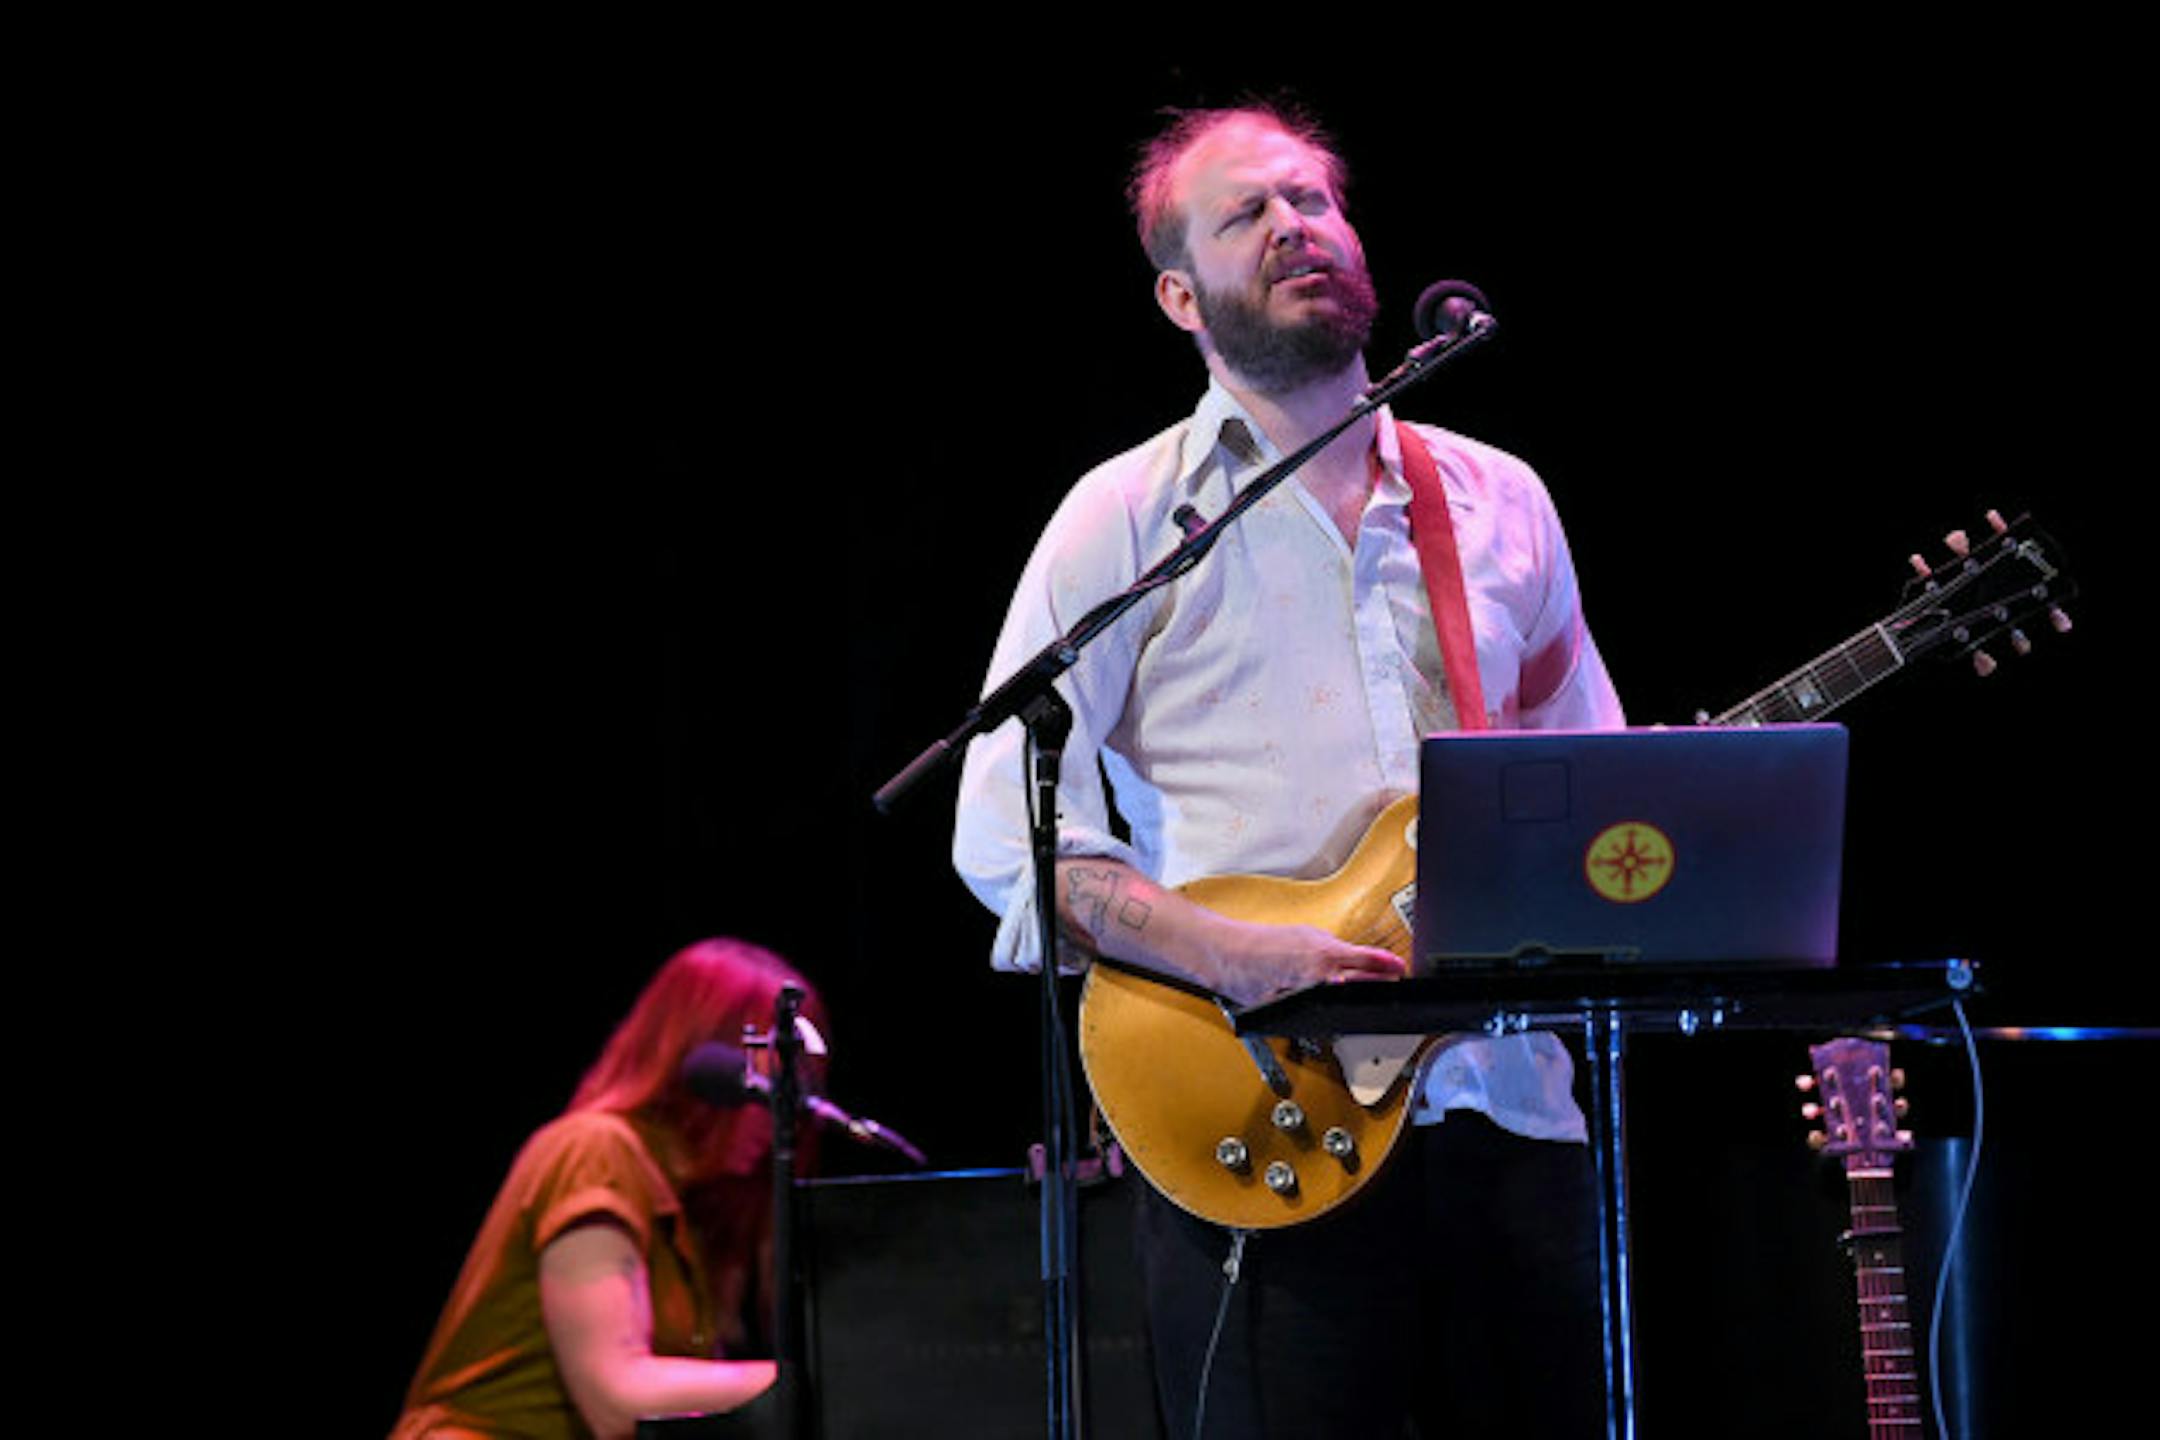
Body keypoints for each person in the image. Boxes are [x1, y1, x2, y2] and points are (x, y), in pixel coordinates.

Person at [951, 102, 1624, 1436]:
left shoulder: (1499, 500)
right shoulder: (1128, 515)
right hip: (1263, 1117)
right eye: (1247, 212)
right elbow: (1010, 835)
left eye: (1312, 199)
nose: (1293, 226)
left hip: (1510, 1115)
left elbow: (1588, 788)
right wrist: (1234, 957)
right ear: (1178, 295)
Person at [391, 937, 823, 1440]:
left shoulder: (686, 1207)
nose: (774, 1123)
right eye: (764, 1093)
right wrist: (815, 1377)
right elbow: (616, 1398)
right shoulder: (595, 1150)